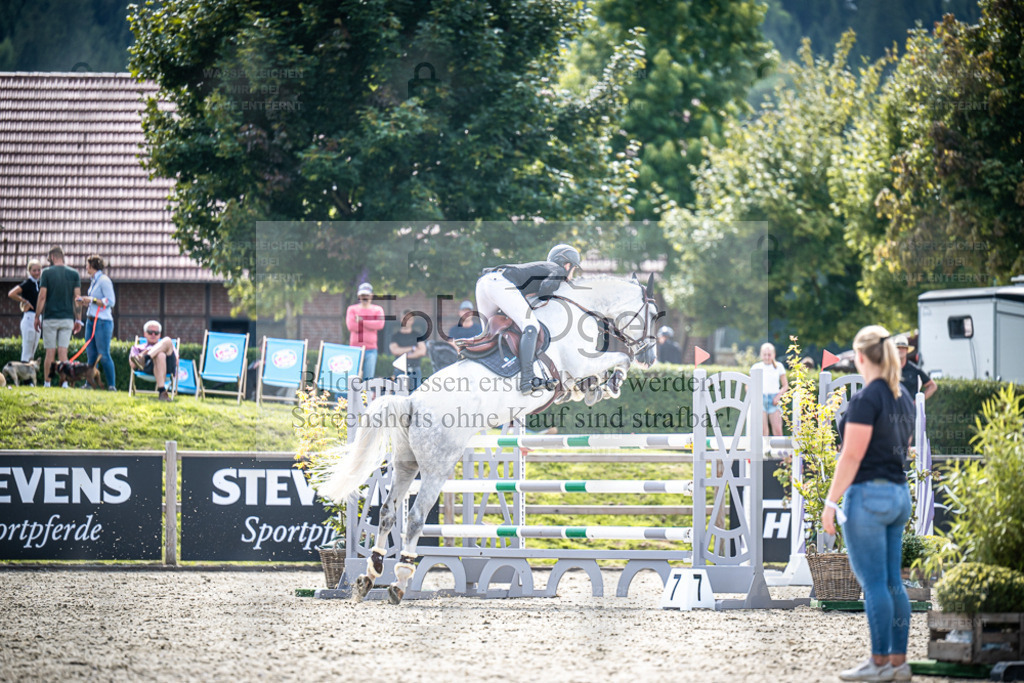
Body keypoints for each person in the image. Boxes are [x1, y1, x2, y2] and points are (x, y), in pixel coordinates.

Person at [823, 325, 915, 682]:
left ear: (860, 357)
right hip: (898, 495)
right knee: (893, 583)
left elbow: (851, 456)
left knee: (874, 583)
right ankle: (898, 662)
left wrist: (831, 502)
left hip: (869, 497)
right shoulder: (903, 397)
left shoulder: (865, 400)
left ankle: (878, 663)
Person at [475, 244, 580, 393]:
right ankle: (528, 380)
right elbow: (546, 289)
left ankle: (483, 369)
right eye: (574, 269)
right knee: (531, 326)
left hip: (484, 283)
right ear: (567, 265)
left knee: (487, 334)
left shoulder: (543, 268)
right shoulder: (558, 270)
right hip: (500, 283)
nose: (572, 275)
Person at [34, 246, 82, 387]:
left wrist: (37, 317)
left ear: (53, 257)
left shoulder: (46, 273)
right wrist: (78, 319)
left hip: (50, 318)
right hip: (67, 318)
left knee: (50, 352)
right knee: (63, 351)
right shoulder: (74, 274)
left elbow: (42, 297)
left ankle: (47, 383)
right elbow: (77, 299)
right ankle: (64, 383)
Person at [75, 255, 116, 390]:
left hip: (102, 322)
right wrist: (85, 302)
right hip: (91, 320)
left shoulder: (104, 281)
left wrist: (91, 300)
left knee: (103, 355)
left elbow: (110, 301)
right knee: (91, 355)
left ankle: (112, 386)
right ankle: (89, 384)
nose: (86, 267)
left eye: (87, 265)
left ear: (92, 266)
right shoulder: (94, 281)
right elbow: (95, 301)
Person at [129, 320, 178, 402]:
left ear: (160, 335)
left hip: (167, 367)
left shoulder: (168, 345)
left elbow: (176, 362)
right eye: (150, 332)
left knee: (167, 340)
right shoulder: (137, 347)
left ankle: (145, 358)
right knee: (160, 355)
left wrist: (155, 350)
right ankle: (162, 392)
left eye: (156, 333)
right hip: (147, 367)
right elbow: (133, 365)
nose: (153, 335)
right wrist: (146, 351)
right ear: (145, 333)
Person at [346, 282, 386, 380]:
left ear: (371, 296)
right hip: (355, 349)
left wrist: (361, 320)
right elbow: (352, 326)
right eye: (363, 295)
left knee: (368, 380)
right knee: (353, 378)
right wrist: (371, 324)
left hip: (371, 349)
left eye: (367, 295)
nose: (365, 297)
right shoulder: (352, 309)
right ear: (359, 296)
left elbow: (380, 324)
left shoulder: (378, 309)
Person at [751, 343, 789, 436]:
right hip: (761, 399)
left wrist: (778, 397)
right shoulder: (756, 367)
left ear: (774, 355)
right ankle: (764, 446)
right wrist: (755, 398)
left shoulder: (779, 366)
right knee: (763, 431)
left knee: (778, 431)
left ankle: (778, 447)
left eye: (769, 354)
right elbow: (749, 386)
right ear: (761, 355)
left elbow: (785, 385)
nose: (767, 357)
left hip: (774, 400)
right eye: (764, 354)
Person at [7, 259, 42, 362]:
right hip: (29, 318)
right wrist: (24, 301)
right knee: (27, 350)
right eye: (34, 270)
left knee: (33, 351)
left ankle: (29, 371)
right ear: (29, 271)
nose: (37, 273)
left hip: (38, 318)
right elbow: (11, 293)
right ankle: (24, 370)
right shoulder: (27, 283)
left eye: (39, 270)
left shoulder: (40, 284)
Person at [389, 310, 427, 390]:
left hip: (415, 369)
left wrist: (403, 354)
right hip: (399, 369)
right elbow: (395, 351)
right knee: (398, 393)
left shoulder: (417, 335)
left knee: (416, 393)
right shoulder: (395, 336)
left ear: (412, 321)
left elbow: (422, 351)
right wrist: (412, 348)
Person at [894, 334, 936, 401]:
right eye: (898, 347)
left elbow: (932, 386)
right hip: (893, 406)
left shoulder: (914, 369)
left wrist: (919, 400)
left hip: (910, 407)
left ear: (907, 350)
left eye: (903, 348)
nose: (900, 350)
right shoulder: (889, 369)